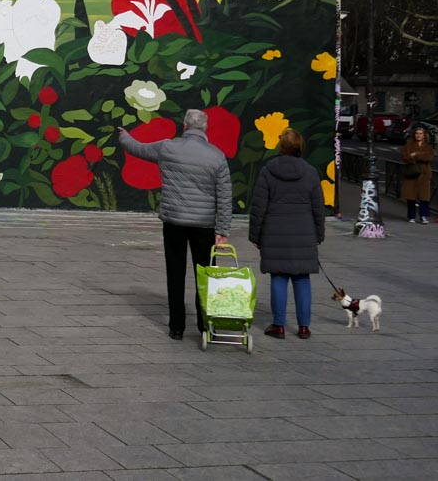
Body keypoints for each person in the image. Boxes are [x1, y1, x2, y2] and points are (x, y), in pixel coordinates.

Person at [119, 108, 232, 341]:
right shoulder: (217, 156)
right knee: (206, 274)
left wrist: (124, 137)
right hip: (204, 225)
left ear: (184, 126)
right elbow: (224, 196)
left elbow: (138, 148)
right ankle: (205, 325)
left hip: (174, 222)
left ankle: (177, 327)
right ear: (205, 128)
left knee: (175, 272)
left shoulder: (167, 148)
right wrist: (222, 230)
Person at [247, 128, 325, 340]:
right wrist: (319, 234)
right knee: (302, 279)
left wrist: (255, 236)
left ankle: (279, 325)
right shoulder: (310, 172)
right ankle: (304, 327)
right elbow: (318, 208)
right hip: (304, 232)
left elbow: (258, 207)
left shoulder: (268, 171)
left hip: (274, 232)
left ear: (281, 146)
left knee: (278, 277)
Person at [398, 126, 435, 223]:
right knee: (411, 196)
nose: (418, 135)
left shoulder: (428, 147)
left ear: (424, 135)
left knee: (424, 197)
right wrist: (417, 157)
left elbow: (429, 157)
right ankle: (411, 216)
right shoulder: (408, 146)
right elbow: (405, 157)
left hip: (424, 174)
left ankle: (424, 216)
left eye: (420, 134)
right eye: (417, 133)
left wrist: (416, 154)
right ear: (414, 135)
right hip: (412, 173)